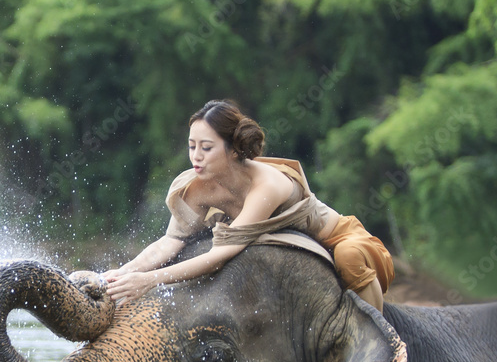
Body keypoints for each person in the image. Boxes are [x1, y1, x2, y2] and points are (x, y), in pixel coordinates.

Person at [103, 99, 395, 312]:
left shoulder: (267, 184)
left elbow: (222, 254)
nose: (197, 156)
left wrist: (149, 281)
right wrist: (122, 274)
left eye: (207, 148)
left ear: (232, 149)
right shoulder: (197, 187)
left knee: (348, 255)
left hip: (339, 238)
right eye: (192, 146)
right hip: (291, 260)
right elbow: (171, 241)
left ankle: (378, 353)